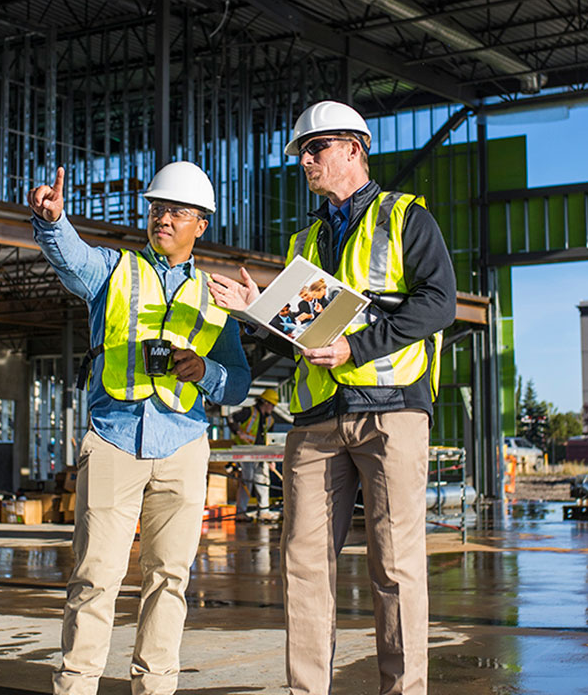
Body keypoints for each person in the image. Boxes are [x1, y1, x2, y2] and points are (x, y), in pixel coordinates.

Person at [208, 100, 456, 695]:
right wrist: (255, 311)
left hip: (390, 410)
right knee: (302, 564)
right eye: (301, 153)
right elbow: (304, 329)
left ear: (353, 148)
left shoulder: (405, 217)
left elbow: (439, 302)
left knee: (394, 564)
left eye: (315, 149)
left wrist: (356, 348)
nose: (305, 161)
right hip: (316, 420)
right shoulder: (307, 238)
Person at [30, 162, 251, 695]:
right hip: (114, 439)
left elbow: (238, 383)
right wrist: (53, 221)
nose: (163, 219)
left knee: (169, 579)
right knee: (95, 577)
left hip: (183, 443)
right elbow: (70, 256)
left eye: (176, 212)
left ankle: (155, 687)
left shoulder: (216, 295)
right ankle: (76, 686)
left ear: (201, 224)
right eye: (157, 209)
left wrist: (205, 371)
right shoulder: (114, 270)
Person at [229, 388, 279, 520]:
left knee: (263, 480)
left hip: (261, 454)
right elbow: (231, 418)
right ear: (265, 402)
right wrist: (238, 432)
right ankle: (241, 513)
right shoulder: (249, 412)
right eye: (272, 405)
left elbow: (269, 440)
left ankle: (263, 511)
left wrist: (272, 459)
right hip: (245, 452)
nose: (273, 408)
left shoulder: (270, 420)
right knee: (247, 482)